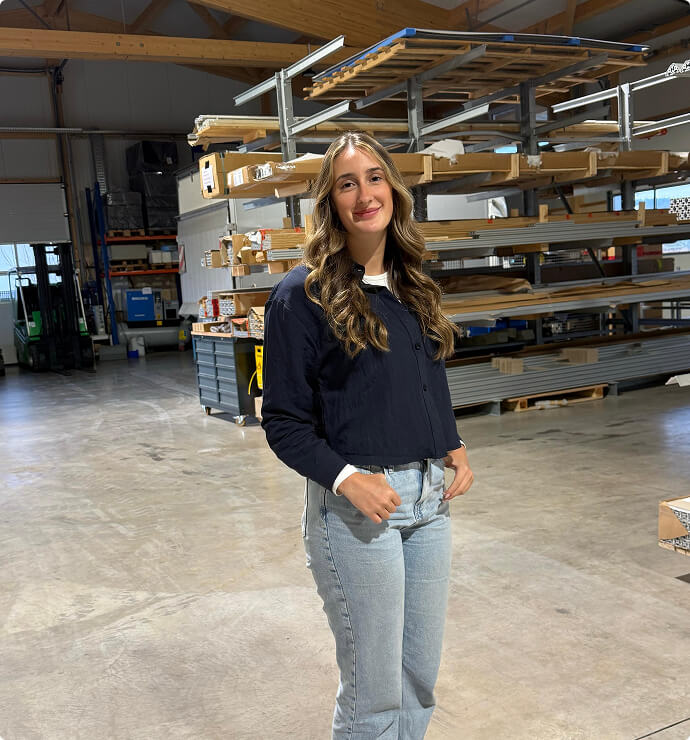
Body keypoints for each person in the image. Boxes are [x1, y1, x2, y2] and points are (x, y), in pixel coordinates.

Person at [261, 131, 474, 739]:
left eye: (375, 178)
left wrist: (451, 441)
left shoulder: (411, 284)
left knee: (418, 679)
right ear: (329, 202)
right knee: (374, 693)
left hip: (429, 505)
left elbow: (427, 376)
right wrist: (347, 478)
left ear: (394, 190)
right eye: (347, 184)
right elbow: (283, 421)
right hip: (358, 512)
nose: (365, 195)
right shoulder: (301, 296)